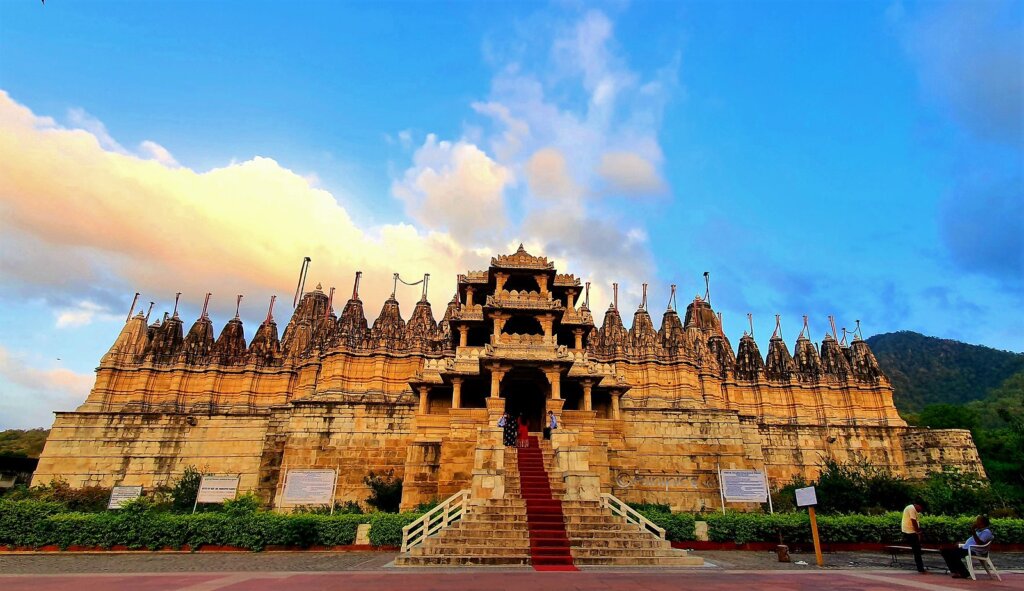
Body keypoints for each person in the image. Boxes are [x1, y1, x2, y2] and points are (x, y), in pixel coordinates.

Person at [901, 501, 927, 573]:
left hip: (911, 531)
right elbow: (913, 520)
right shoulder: (911, 508)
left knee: (917, 550)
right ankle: (920, 568)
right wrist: (918, 531)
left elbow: (916, 521)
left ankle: (920, 567)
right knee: (917, 551)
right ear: (917, 505)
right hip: (910, 531)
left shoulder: (913, 509)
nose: (920, 510)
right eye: (920, 508)